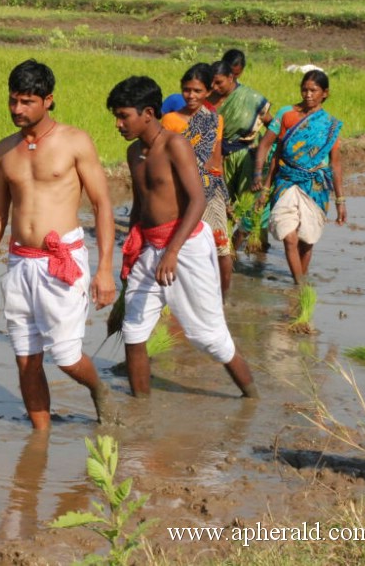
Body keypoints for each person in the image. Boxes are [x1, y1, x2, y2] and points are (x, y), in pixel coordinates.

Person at [0, 59, 116, 430]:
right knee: (26, 358)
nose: (17, 109)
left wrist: (105, 269)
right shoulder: (5, 151)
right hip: (20, 263)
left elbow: (102, 205)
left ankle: (100, 392)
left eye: (27, 101)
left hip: (60, 260)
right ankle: (41, 438)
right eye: (13, 100)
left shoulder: (75, 141)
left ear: (48, 100)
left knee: (65, 356)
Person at [107, 75, 257, 400]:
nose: (118, 124)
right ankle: (140, 413)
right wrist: (130, 254)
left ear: (148, 113)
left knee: (210, 338)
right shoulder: (135, 153)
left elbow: (198, 200)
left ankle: (251, 398)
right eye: (116, 117)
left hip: (185, 245)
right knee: (133, 332)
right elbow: (139, 205)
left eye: (123, 116)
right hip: (150, 247)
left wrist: (172, 251)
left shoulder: (175, 145)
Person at [258, 70, 346, 284]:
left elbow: (335, 164)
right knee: (289, 237)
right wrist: (265, 187)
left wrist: (340, 201)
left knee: (307, 241)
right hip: (286, 181)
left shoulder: (329, 125)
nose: (308, 94)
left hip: (315, 187)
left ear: (325, 93)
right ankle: (299, 286)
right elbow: (276, 152)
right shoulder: (287, 115)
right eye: (304, 89)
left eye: (313, 90)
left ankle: (300, 283)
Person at [161, 63, 233, 298]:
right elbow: (163, 158)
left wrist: (224, 196)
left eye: (197, 91)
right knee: (181, 245)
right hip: (179, 188)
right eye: (187, 90)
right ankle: (181, 297)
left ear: (209, 91)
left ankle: (221, 299)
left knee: (221, 248)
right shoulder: (170, 120)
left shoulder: (215, 119)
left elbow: (216, 158)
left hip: (210, 190)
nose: (191, 95)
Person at [209, 60, 272, 208]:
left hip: (246, 157)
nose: (214, 87)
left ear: (230, 78)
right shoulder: (206, 99)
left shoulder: (251, 98)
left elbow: (272, 126)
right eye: (211, 83)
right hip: (218, 157)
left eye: (219, 82)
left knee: (248, 207)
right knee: (220, 206)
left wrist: (265, 151)